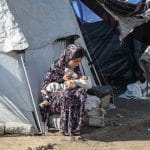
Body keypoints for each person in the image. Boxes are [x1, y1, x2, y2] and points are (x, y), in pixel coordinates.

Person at [39, 44, 88, 136]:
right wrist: (62, 79)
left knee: (81, 92)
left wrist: (79, 81)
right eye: (75, 61)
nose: (77, 64)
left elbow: (77, 80)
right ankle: (65, 128)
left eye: (79, 61)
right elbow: (45, 87)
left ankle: (75, 127)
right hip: (53, 100)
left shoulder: (75, 68)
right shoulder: (56, 66)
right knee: (66, 94)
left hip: (69, 92)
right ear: (67, 58)